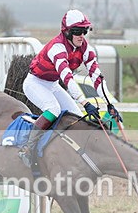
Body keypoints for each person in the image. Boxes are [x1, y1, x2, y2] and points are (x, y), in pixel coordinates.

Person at [18, 9, 113, 168]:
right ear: (67, 32)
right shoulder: (58, 47)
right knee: (53, 109)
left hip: (52, 84)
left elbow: (96, 76)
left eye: (85, 30)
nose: (82, 35)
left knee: (76, 116)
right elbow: (67, 78)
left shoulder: (85, 48)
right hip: (35, 83)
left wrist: (109, 103)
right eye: (77, 31)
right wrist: (85, 102)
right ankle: (26, 148)